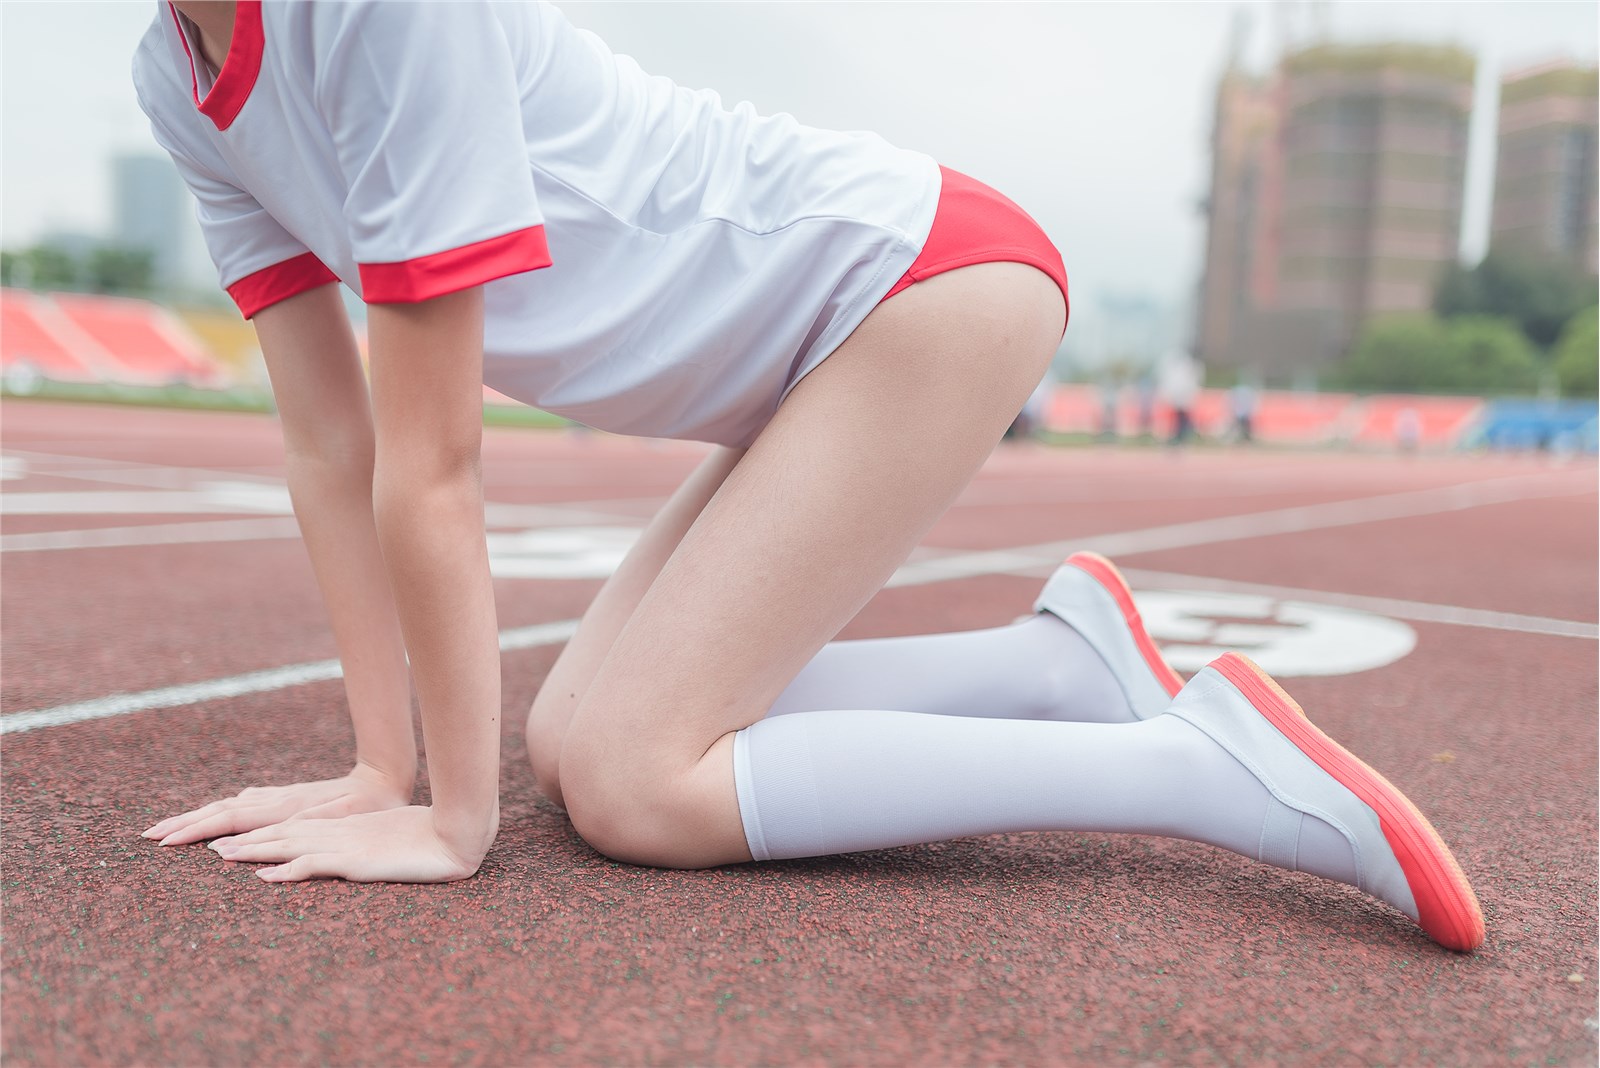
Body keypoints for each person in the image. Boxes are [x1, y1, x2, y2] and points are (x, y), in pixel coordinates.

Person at [135, 1, 1482, 952]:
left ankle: (1189, 766)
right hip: (826, 339)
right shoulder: (174, 75)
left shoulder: (378, 10)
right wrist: (385, 771)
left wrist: (450, 823)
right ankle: (1059, 673)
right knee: (563, 740)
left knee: (630, 782)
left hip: (916, 290)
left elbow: (431, 461)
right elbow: (332, 442)